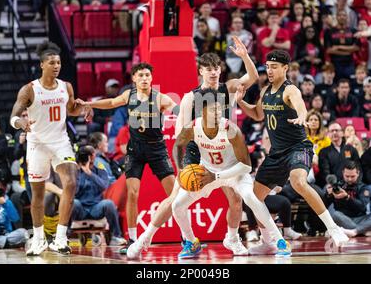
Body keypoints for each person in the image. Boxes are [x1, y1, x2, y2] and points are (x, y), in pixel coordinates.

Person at [126, 36, 259, 259]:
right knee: (175, 200)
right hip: (198, 154)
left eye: (216, 68)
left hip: (224, 153)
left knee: (236, 200)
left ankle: (233, 239)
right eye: (208, 69)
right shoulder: (190, 98)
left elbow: (253, 77)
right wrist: (183, 167)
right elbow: (180, 137)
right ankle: (146, 239)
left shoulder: (229, 88)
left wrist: (245, 56)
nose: (213, 72)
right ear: (201, 72)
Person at [236, 49, 349, 251]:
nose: (269, 71)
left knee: (298, 182)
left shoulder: (291, 90)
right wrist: (240, 102)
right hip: (276, 153)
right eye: (268, 67)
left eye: (274, 67)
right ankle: (268, 240)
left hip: (298, 147)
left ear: (285, 68)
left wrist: (302, 116)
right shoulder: (265, 92)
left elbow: (300, 106)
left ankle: (334, 229)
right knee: (254, 198)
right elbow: (257, 114)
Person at [171, 89, 290, 258]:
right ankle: (191, 242)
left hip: (235, 172)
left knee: (251, 198)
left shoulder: (231, 129)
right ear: (202, 111)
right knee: (177, 205)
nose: (218, 112)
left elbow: (247, 166)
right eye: (213, 109)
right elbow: (178, 145)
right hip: (207, 171)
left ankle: (278, 240)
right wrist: (181, 169)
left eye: (220, 109)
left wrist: (218, 176)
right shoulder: (192, 127)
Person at [77, 62, 178, 252]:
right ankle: (132, 239)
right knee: (133, 193)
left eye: (147, 75)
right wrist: (90, 104)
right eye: (140, 76)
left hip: (157, 149)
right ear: (134, 79)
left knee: (175, 195)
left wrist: (192, 114)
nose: (144, 79)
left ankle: (187, 238)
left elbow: (177, 109)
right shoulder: (128, 96)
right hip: (135, 150)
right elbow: (111, 103)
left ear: (152, 78)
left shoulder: (159, 98)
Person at [9, 41, 92, 256]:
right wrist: (20, 124)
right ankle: (38, 240)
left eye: (59, 62)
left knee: (71, 183)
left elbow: (71, 110)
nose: (56, 66)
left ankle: (61, 238)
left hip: (60, 142)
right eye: (52, 62)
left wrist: (82, 108)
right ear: (42, 65)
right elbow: (14, 115)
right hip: (37, 144)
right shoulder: (29, 89)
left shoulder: (66, 86)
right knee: (37, 194)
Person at [71, 145, 126, 246]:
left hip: (96, 208)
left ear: (93, 156)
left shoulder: (100, 168)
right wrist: (80, 171)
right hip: (81, 208)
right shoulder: (75, 171)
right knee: (73, 202)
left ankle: (116, 236)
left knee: (108, 204)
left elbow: (104, 185)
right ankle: (64, 236)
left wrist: (89, 173)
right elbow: (75, 192)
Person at [324, 161, 371, 238]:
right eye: (347, 176)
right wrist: (328, 195)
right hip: (343, 218)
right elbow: (325, 205)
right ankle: (361, 231)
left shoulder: (364, 187)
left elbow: (362, 207)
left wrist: (347, 197)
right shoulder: (337, 186)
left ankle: (354, 231)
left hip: (360, 219)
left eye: (352, 176)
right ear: (343, 173)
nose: (349, 179)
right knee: (335, 214)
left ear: (358, 173)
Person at [318, 122, 361, 188]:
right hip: (333, 185)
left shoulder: (352, 149)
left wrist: (356, 182)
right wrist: (333, 184)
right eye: (332, 131)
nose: (334, 132)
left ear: (342, 133)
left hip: (352, 183)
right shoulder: (323, 152)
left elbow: (358, 168)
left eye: (337, 130)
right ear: (328, 134)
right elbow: (325, 172)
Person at [0, 179, 28, 249]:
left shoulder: (7, 202)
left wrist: (5, 204)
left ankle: (2, 243)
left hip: (7, 235)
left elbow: (15, 219)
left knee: (23, 232)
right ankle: (6, 244)